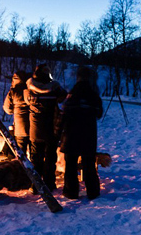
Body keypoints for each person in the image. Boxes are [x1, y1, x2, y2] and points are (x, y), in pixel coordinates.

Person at [59, 66, 103, 200]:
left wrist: (59, 132)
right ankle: (93, 192)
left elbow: (63, 114)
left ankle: (70, 192)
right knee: (89, 164)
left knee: (71, 165)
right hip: (88, 134)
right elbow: (99, 113)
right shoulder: (93, 94)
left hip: (71, 134)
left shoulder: (71, 94)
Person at [25, 64, 67, 191]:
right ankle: (49, 184)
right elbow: (63, 97)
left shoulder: (28, 89)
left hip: (35, 131)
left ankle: (36, 186)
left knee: (35, 160)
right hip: (51, 131)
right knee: (50, 159)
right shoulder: (55, 89)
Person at [3, 70, 31, 156]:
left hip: (20, 128)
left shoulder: (13, 91)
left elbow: (7, 109)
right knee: (34, 154)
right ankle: (32, 169)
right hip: (34, 127)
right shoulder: (31, 90)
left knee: (20, 153)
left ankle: (19, 168)